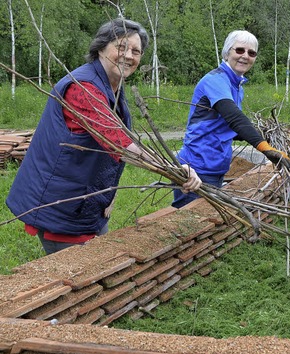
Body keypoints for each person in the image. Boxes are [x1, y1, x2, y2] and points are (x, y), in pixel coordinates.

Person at [5, 19, 202, 255]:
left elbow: (108, 150)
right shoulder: (83, 88)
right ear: (100, 48)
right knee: (78, 277)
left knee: (99, 264)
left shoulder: (112, 85)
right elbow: (120, 143)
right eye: (121, 47)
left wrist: (109, 193)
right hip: (61, 204)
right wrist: (175, 170)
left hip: (86, 203)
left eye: (136, 51)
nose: (129, 56)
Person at [172, 30, 290, 209]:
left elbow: (229, 127)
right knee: (188, 221)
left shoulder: (236, 85)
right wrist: (265, 148)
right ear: (227, 52)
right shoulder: (215, 80)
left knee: (206, 219)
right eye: (239, 50)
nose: (245, 56)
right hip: (196, 167)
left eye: (251, 53)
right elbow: (235, 118)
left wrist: (263, 135)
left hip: (215, 166)